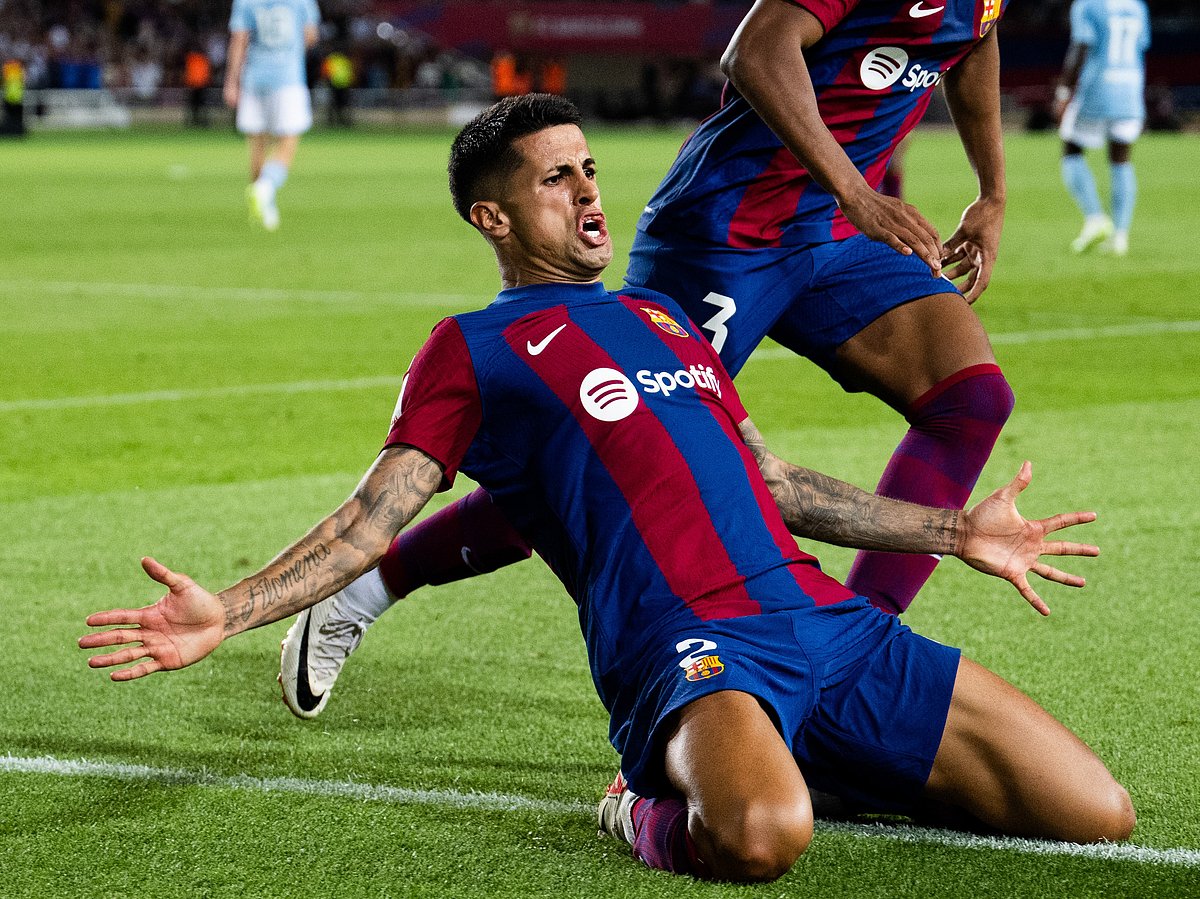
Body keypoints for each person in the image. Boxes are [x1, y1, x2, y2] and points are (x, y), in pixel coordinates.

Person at [81, 95, 1133, 883]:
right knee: (765, 835)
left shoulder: (666, 320)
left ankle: (818, 743)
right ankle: (638, 804)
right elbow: (371, 518)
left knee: (1098, 811)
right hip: (687, 646)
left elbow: (774, 482)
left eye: (588, 168)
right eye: (556, 178)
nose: (590, 190)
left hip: (826, 619)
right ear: (493, 219)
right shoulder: (471, 349)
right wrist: (234, 609)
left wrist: (956, 529)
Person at [280, 0, 1023, 718]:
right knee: (618, 449)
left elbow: (974, 36)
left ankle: (854, 647)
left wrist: (991, 190)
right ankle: (369, 583)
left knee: (971, 398)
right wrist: (857, 190)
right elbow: (756, 51)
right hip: (726, 229)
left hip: (827, 235)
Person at [1053, 0, 1150, 257]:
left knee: (1071, 149)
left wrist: (1063, 92)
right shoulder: (1137, 6)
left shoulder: (1087, 5)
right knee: (1121, 159)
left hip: (1098, 88)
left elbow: (1081, 47)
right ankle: (1120, 236)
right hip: (1130, 88)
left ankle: (1095, 218)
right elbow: (1141, 46)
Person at [223, 0, 320, 232]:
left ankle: (264, 207)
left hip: (254, 78)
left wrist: (231, 82)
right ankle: (265, 188)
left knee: (258, 145)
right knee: (288, 142)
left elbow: (239, 40)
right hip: (288, 78)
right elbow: (311, 35)